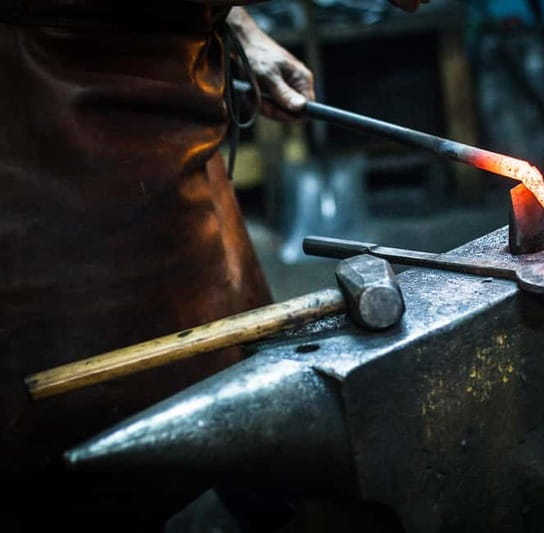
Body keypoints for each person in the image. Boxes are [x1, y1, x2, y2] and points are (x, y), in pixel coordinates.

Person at [0, 0, 425, 529]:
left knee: (244, 359)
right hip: (53, 123)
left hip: (178, 103)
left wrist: (238, 26)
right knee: (92, 431)